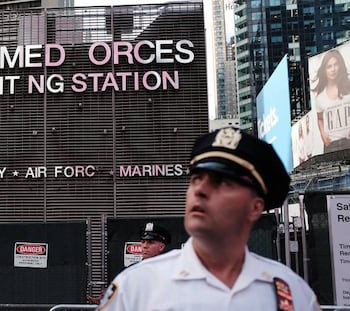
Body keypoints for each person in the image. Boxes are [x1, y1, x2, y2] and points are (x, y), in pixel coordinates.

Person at [97, 127, 321, 310]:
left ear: (255, 207)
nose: (200, 190)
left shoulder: (292, 293)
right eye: (196, 179)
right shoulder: (137, 287)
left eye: (221, 182)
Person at [86, 222, 171, 305]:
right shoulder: (131, 270)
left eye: (150, 242)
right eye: (143, 242)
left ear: (161, 247)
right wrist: (109, 298)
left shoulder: (169, 270)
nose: (145, 246)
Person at [312, 49, 350, 153]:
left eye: (335, 65)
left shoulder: (348, 88)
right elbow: (320, 118)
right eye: (329, 66)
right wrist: (322, 134)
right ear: (324, 70)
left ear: (340, 66)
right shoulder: (320, 98)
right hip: (331, 146)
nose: (333, 69)